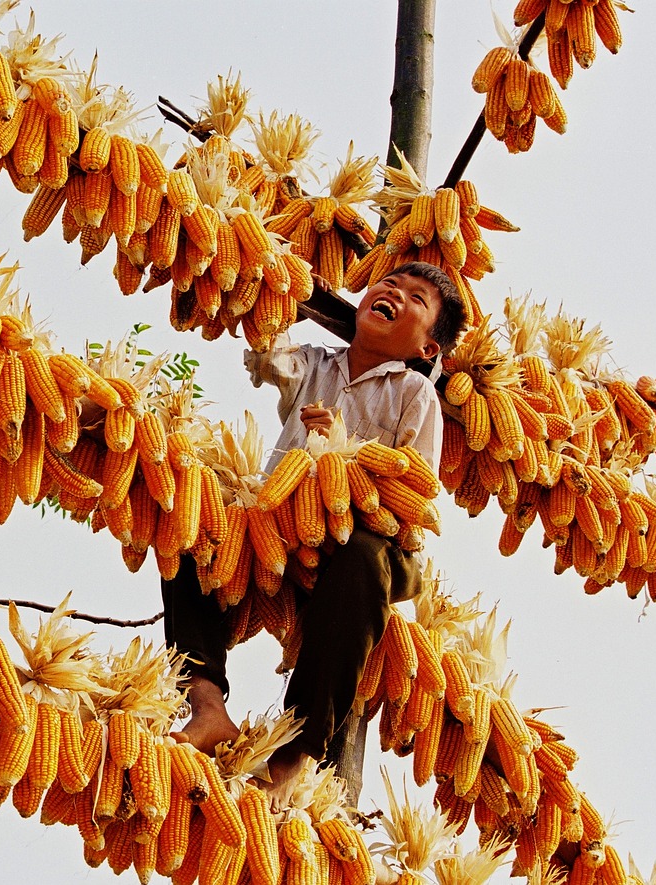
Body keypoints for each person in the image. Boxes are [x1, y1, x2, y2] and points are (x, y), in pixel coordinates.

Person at [163, 261, 467, 810]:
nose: (394, 293)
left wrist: (346, 454)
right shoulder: (315, 364)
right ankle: (206, 703)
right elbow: (267, 354)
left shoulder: (415, 395)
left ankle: (294, 753)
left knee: (363, 560)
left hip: (371, 547)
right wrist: (271, 284)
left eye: (416, 299)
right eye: (389, 284)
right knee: (193, 529)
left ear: (428, 348)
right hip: (286, 530)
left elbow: (413, 494)